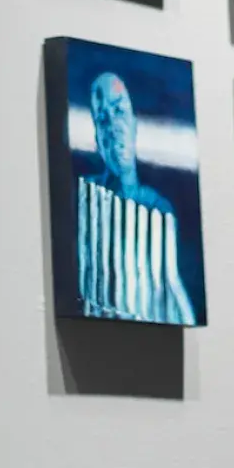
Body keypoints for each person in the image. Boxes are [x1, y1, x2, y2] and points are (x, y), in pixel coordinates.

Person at [74, 70, 196, 325]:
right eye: (103, 119)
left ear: (134, 123)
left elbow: (169, 282)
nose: (113, 127)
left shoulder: (158, 210)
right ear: (97, 138)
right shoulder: (86, 199)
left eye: (119, 112)